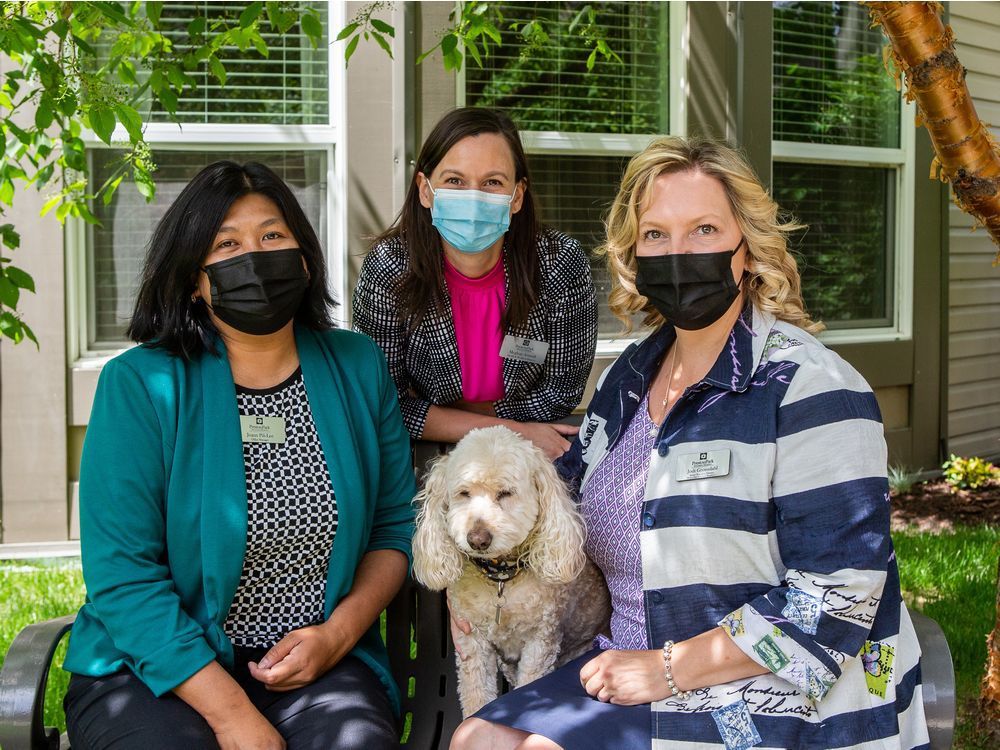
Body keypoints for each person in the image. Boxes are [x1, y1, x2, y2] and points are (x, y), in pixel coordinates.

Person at [450, 137, 929, 749]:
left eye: (704, 229)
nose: (679, 254)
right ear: (632, 253)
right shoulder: (628, 377)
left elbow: (837, 598)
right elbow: (562, 497)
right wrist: (482, 569)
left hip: (768, 686)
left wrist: (666, 668)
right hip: (623, 665)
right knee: (475, 740)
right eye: (656, 235)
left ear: (747, 247)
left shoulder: (811, 389)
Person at [62, 161, 416, 750]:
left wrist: (338, 633)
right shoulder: (141, 385)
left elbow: (391, 527)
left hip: (317, 666)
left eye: (273, 236)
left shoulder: (357, 365)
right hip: (158, 671)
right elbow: (123, 576)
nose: (255, 256)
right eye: (226, 244)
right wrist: (232, 717)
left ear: (303, 257)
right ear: (195, 280)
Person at [353, 107, 598, 460]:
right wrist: (503, 426)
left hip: (527, 454)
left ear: (516, 196)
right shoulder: (391, 267)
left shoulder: (559, 263)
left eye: (492, 182)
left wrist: (446, 417)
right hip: (422, 455)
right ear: (425, 190)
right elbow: (381, 403)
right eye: (454, 181)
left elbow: (562, 393)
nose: (474, 196)